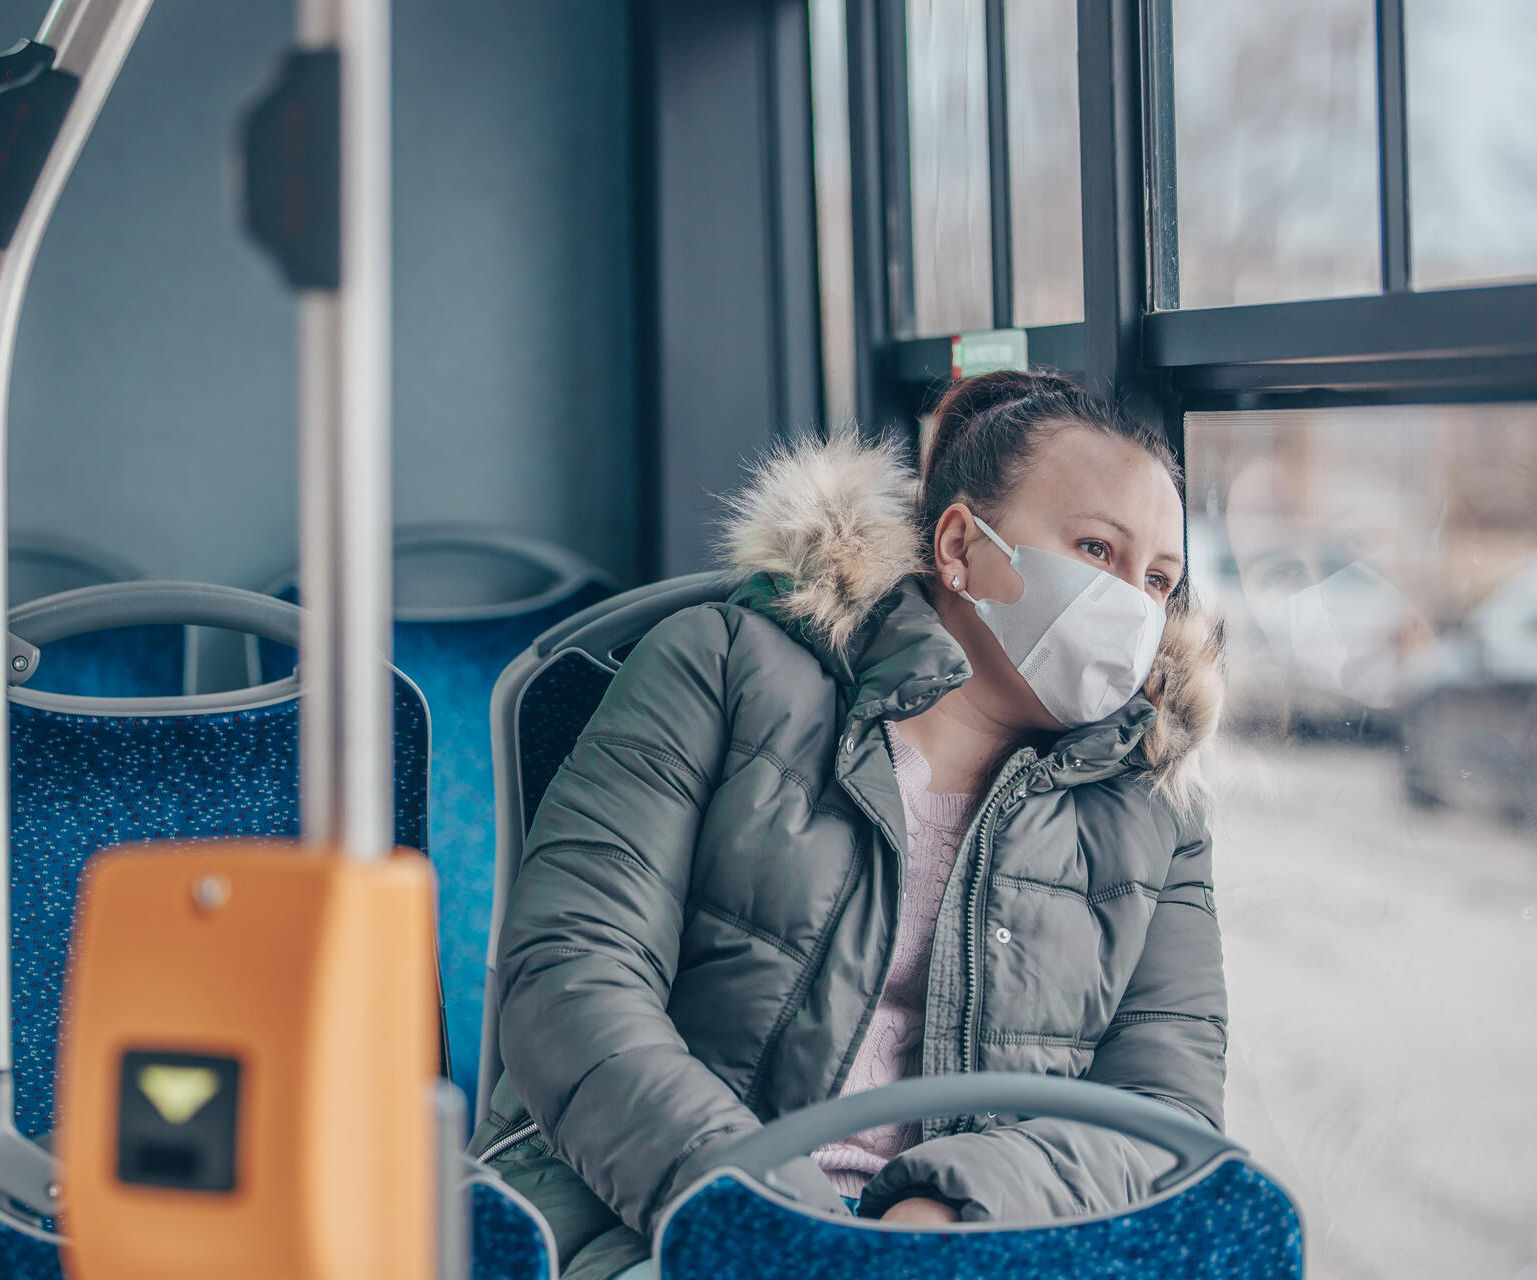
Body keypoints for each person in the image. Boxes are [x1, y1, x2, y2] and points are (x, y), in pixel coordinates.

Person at [468, 369, 1228, 1280]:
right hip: (663, 1213)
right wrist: (777, 1221)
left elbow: (1166, 1112)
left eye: (1158, 579)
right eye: (1098, 550)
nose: (1133, 605)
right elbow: (571, 981)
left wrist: (946, 1210)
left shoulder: (1155, 808)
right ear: (961, 546)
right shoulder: (718, 669)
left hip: (970, 1248)